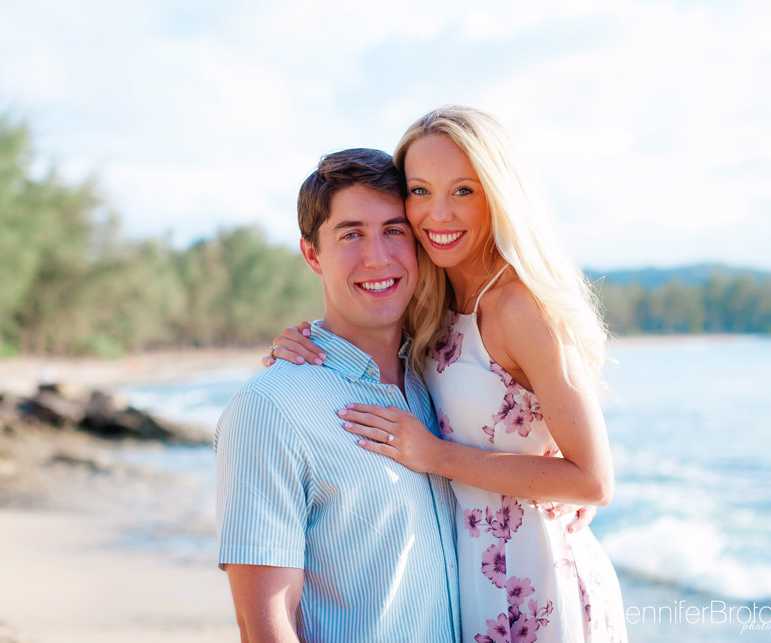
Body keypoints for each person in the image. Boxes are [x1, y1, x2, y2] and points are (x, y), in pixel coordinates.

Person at [266, 106, 627, 642]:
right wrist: (298, 345)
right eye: (419, 191)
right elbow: (367, 332)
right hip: (469, 578)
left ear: (497, 194)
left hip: (534, 581)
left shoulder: (519, 306)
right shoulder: (431, 302)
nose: (439, 214)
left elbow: (594, 481)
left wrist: (435, 456)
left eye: (463, 191)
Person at [214, 148, 460, 642]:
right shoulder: (269, 408)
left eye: (395, 230)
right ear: (312, 254)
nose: (378, 257)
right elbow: (265, 627)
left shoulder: (442, 381)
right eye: (351, 234)